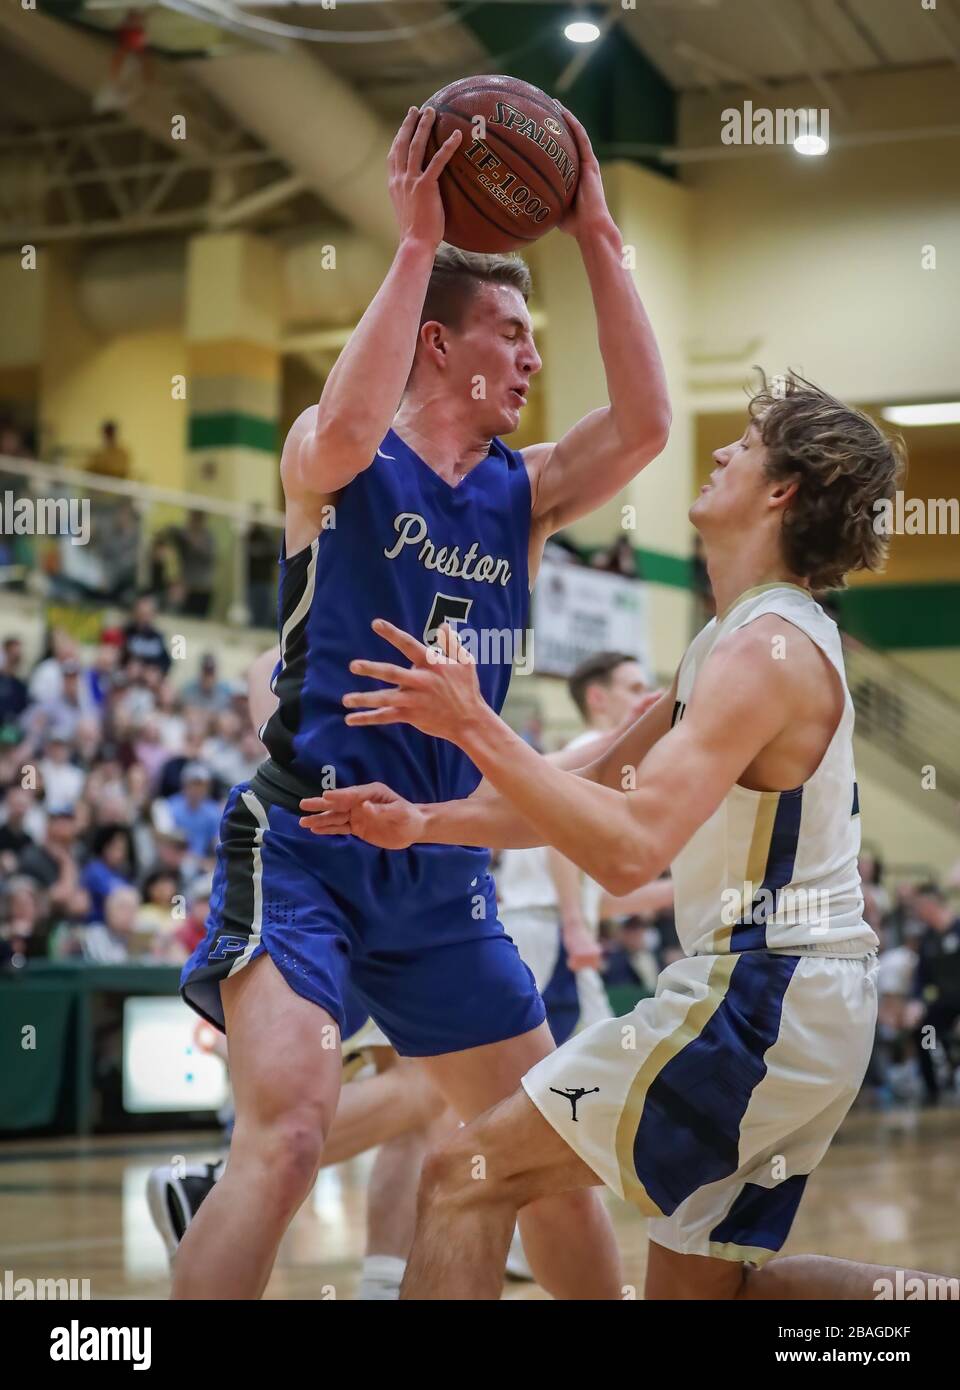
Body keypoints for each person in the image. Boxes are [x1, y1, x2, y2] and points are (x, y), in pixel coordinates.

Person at [174, 101, 670, 1300]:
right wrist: (412, 247)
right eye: (511, 330)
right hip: (306, 842)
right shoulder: (334, 459)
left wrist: (598, 237)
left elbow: (650, 424)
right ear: (438, 348)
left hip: (445, 871)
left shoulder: (527, 491)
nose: (535, 360)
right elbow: (349, 416)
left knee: (540, 1165)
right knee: (288, 1136)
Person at [308, 372, 947, 1300]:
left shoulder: (766, 651)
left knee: (464, 1178)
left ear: (781, 490)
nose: (722, 452)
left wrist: (473, 725)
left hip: (763, 999)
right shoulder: (736, 638)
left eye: (747, 442)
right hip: (796, 1005)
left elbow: (628, 849)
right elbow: (590, 791)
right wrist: (425, 824)